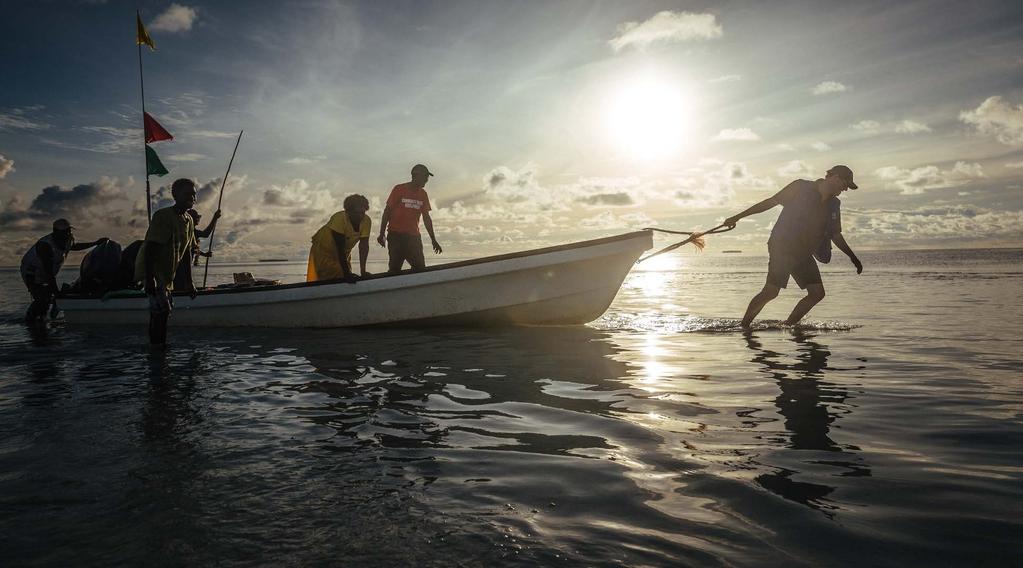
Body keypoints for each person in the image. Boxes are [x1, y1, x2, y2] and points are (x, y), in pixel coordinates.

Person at [724, 165, 863, 328]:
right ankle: (744, 327)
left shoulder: (834, 204)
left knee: (817, 294)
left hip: (804, 252)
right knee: (771, 292)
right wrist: (737, 217)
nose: (845, 189)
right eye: (845, 184)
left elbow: (835, 234)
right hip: (782, 246)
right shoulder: (800, 187)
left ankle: (788, 326)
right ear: (835, 178)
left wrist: (853, 257)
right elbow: (771, 202)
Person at [135, 178, 198, 345]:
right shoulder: (163, 216)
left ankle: (156, 347)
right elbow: (151, 249)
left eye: (193, 194)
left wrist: (189, 282)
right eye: (187, 194)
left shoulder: (189, 220)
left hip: (168, 274)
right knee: (162, 311)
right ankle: (158, 351)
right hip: (154, 271)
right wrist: (150, 278)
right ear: (175, 195)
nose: (192, 197)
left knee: (162, 313)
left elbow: (185, 254)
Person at [20, 219, 108, 323]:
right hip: (32, 273)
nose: (67, 234)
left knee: (47, 298)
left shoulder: (68, 239)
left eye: (68, 231)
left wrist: (95, 243)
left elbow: (74, 246)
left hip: (47, 273)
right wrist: (57, 293)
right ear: (55, 232)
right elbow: (49, 274)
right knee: (41, 298)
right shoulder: (45, 246)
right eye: (64, 232)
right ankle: (29, 322)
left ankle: (41, 320)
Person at [377, 164, 442, 273]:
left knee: (420, 268)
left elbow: (426, 218)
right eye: (425, 176)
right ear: (415, 176)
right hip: (396, 236)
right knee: (394, 269)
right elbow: (387, 211)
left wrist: (433, 240)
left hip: (413, 237)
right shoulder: (399, 189)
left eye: (427, 177)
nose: (426, 180)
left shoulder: (423, 194)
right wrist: (381, 233)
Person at [307, 194, 372, 282]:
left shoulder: (366, 221)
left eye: (362, 212)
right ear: (348, 212)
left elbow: (364, 247)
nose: (360, 216)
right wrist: (346, 274)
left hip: (344, 252)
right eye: (356, 213)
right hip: (324, 249)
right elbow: (339, 248)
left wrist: (363, 271)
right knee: (333, 275)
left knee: (344, 274)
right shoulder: (339, 218)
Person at [172, 208, 221, 291]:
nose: (198, 219)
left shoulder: (191, 232)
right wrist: (215, 218)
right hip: (180, 267)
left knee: (181, 286)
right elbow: (206, 234)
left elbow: (192, 249)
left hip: (182, 267)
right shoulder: (189, 231)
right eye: (197, 217)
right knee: (180, 287)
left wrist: (204, 254)